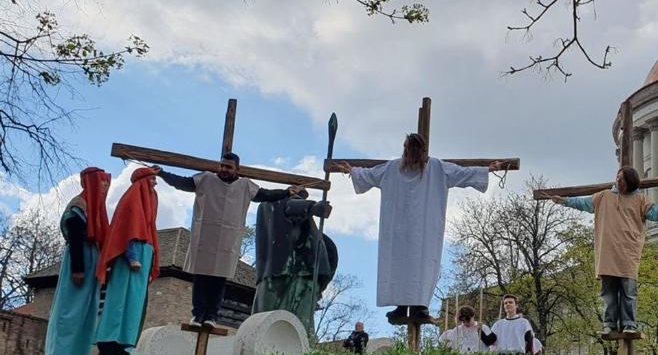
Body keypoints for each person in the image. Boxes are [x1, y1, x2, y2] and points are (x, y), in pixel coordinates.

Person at [337, 133, 503, 323]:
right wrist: (352, 171)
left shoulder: (436, 168)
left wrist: (487, 170)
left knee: (421, 265)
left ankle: (419, 308)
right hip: (399, 230)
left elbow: (462, 173)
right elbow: (369, 175)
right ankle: (402, 308)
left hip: (425, 230)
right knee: (400, 265)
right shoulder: (393, 168)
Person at [155, 152, 305, 327]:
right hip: (205, 237)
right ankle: (197, 315)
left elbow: (265, 195)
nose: (224, 169)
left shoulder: (245, 186)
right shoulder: (206, 179)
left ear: (236, 169)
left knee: (219, 279)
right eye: (222, 165)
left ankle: (211, 316)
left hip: (227, 239)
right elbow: (182, 182)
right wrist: (162, 173)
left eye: (228, 167)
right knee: (201, 277)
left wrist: (286, 192)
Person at [547, 166, 658, 334]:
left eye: (622, 179)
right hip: (607, 251)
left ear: (630, 182)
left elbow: (656, 215)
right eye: (618, 178)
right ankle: (609, 324)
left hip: (628, 251)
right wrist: (564, 201)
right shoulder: (604, 196)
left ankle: (629, 324)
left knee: (628, 291)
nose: (618, 181)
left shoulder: (640, 199)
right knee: (608, 292)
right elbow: (583, 203)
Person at [44, 167, 111, 355]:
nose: (105, 185)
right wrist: (78, 268)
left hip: (92, 260)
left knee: (86, 311)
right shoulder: (79, 205)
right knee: (70, 310)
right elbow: (74, 236)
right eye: (102, 181)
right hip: (82, 258)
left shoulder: (96, 209)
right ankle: (58, 354)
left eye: (107, 182)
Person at [94, 167, 160, 355]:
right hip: (130, 260)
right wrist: (132, 256)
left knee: (134, 304)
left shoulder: (150, 200)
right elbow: (127, 229)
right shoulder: (132, 198)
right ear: (143, 180)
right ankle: (110, 342)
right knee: (120, 300)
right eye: (152, 179)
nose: (155, 183)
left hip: (143, 257)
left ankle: (124, 344)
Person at [252, 195, 337, 332]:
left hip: (307, 274)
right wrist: (312, 207)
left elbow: (330, 255)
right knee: (264, 322)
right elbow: (289, 206)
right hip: (279, 274)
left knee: (301, 325)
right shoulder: (271, 205)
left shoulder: (312, 233)